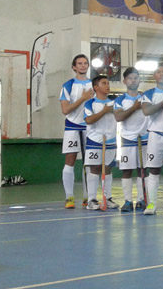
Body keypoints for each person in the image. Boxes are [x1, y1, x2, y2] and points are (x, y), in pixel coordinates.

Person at [59, 54, 94, 209]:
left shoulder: (95, 84)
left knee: (90, 164)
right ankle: (69, 197)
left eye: (85, 63)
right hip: (72, 127)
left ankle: (89, 197)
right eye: (79, 63)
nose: (82, 66)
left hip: (90, 128)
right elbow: (65, 109)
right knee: (70, 161)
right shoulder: (68, 85)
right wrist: (82, 98)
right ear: (74, 67)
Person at [114, 67, 149, 211]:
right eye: (130, 78)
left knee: (143, 170)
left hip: (144, 138)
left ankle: (142, 199)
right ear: (124, 81)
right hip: (127, 139)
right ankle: (128, 201)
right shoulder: (120, 100)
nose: (133, 80)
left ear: (139, 80)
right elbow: (118, 117)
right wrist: (134, 107)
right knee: (127, 171)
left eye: (135, 78)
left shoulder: (146, 97)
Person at [141, 63, 163, 215]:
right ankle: (152, 203)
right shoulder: (148, 93)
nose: (161, 74)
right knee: (153, 170)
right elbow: (147, 111)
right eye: (158, 72)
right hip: (156, 134)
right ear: (154, 76)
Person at [83, 75, 117, 210]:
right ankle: (91, 199)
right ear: (96, 87)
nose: (107, 85)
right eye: (104, 83)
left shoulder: (114, 103)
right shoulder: (90, 103)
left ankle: (107, 197)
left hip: (111, 140)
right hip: (94, 140)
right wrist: (104, 111)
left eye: (108, 83)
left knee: (108, 169)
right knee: (94, 169)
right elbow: (89, 120)